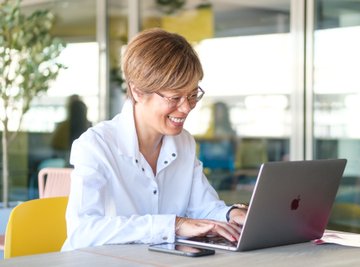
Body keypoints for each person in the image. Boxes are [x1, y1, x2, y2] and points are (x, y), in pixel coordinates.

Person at [61, 28, 247, 251]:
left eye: (192, 95)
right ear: (138, 92)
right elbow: (83, 231)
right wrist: (173, 225)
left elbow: (203, 209)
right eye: (175, 97)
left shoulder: (184, 142)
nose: (187, 107)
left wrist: (231, 214)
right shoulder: (95, 145)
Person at [51, 95, 92, 161]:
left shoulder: (64, 126)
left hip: (65, 158)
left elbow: (55, 145)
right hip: (83, 158)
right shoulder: (89, 126)